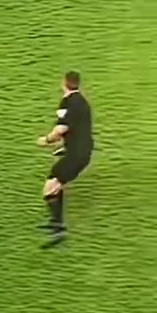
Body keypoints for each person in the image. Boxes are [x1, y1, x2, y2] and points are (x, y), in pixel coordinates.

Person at [37, 70, 93, 245]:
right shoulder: (83, 102)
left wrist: (46, 140)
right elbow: (79, 130)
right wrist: (64, 148)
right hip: (82, 153)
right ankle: (56, 223)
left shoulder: (67, 102)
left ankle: (58, 230)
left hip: (76, 156)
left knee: (49, 188)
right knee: (55, 183)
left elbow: (61, 129)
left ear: (64, 83)